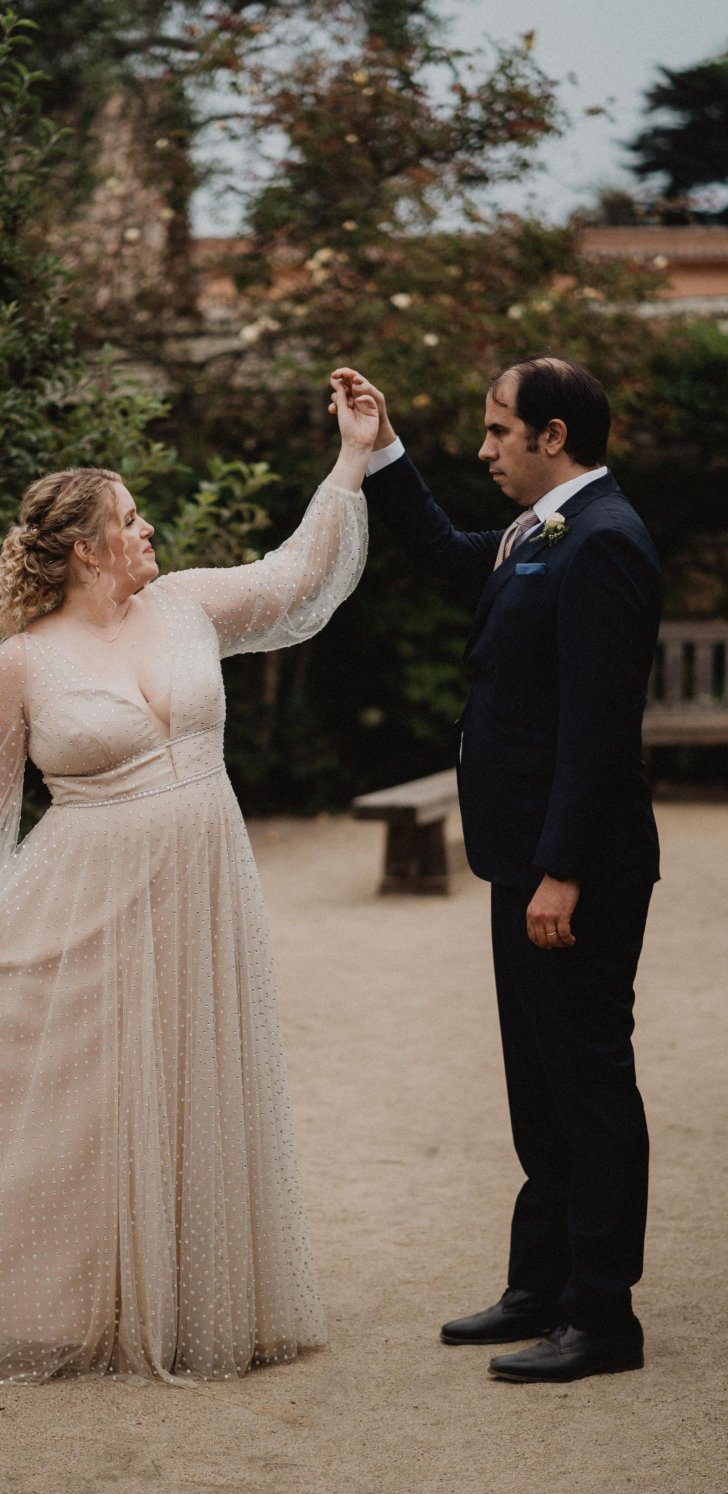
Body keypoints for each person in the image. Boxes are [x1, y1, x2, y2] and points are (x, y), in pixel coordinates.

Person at [0, 377, 379, 1385]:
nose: (147, 529)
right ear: (86, 548)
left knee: (194, 1078)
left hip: (203, 884)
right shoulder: (20, 664)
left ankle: (201, 1304)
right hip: (87, 895)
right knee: (89, 1102)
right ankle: (79, 1306)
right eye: (130, 519)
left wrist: (352, 456)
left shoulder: (186, 606)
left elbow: (295, 573)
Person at [337, 356, 661, 1384]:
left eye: (496, 430)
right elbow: (445, 555)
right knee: (538, 1080)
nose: (483, 450)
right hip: (521, 857)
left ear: (552, 436)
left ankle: (602, 1316)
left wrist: (562, 870)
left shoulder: (603, 540)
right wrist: (378, 447)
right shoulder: (539, 533)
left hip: (574, 868)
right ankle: (540, 1285)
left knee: (587, 1082)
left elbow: (597, 727)